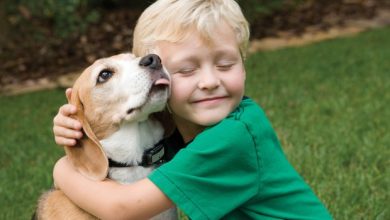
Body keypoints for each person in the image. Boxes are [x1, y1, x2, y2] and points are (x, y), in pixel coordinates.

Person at [52, 0, 332, 219]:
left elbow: (123, 208)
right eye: (186, 70)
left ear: (244, 66)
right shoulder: (177, 131)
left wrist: (62, 169)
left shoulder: (233, 136)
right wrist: (76, 131)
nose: (210, 82)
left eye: (225, 65)